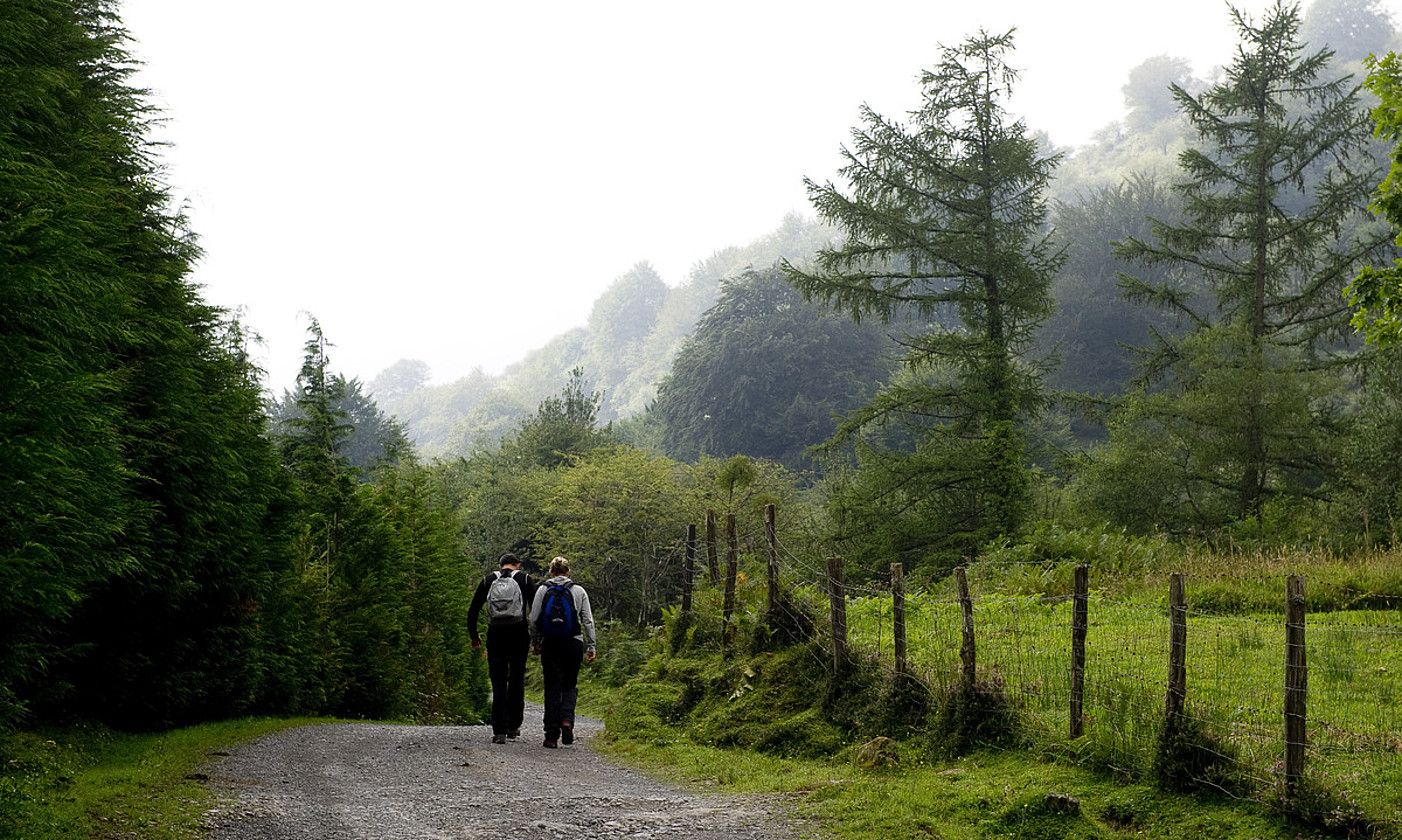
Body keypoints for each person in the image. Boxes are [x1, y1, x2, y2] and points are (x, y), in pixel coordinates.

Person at [527, 556, 596, 748]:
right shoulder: (578, 591)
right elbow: (588, 621)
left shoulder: (542, 590)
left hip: (550, 644)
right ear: (568, 571)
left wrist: (536, 641)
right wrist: (591, 646)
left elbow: (533, 619)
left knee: (551, 687)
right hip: (573, 642)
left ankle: (551, 735)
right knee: (569, 683)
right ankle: (567, 720)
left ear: (551, 571)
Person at [468, 553, 536, 744]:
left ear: (501, 565)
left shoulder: (488, 580)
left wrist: (474, 636)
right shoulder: (525, 579)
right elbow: (536, 609)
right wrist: (537, 638)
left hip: (496, 635)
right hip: (519, 635)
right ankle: (513, 725)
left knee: (498, 681)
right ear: (518, 565)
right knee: (516, 678)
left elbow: (473, 610)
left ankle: (499, 730)